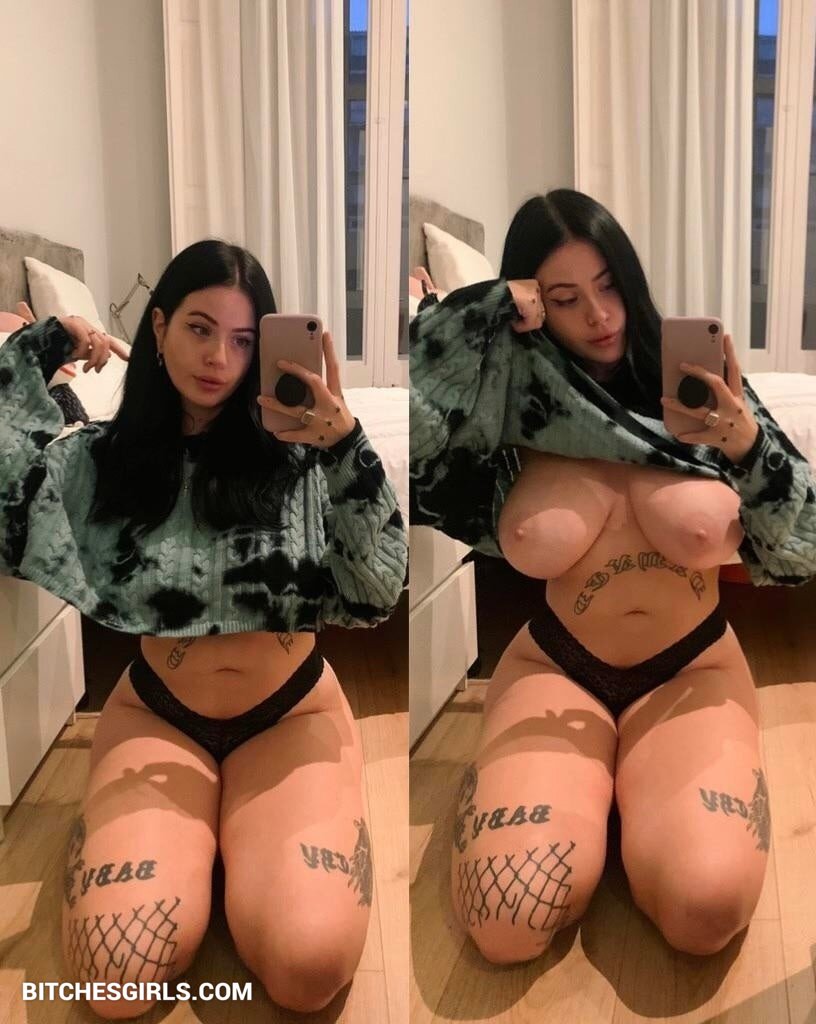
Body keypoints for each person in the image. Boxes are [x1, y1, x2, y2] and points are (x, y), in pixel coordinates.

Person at [0, 239, 407, 1015]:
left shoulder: (301, 457)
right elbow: (4, 489)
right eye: (199, 328)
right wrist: (44, 342)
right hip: (160, 718)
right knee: (115, 978)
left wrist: (345, 445)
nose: (221, 358)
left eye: (245, 339)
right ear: (157, 328)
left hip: (290, 717)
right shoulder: (102, 461)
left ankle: (252, 852)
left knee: (309, 965)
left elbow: (379, 587)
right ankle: (212, 852)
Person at [409, 190, 816, 964]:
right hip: (557, 668)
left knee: (706, 907)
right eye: (564, 298)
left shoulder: (694, 381)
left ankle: (640, 799)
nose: (598, 316)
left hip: (691, 670)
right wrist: (484, 307)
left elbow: (803, 538)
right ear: (533, 305)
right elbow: (421, 422)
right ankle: (607, 797)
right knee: (505, 918)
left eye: (608, 286)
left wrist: (746, 444)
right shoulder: (510, 399)